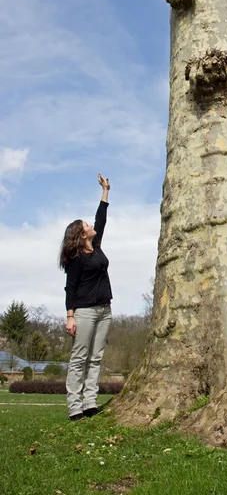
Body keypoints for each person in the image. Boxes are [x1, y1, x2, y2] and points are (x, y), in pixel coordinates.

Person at [59, 173, 112, 421]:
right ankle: (74, 407)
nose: (90, 226)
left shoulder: (97, 245)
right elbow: (70, 288)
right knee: (79, 358)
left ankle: (90, 402)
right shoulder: (76, 260)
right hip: (84, 312)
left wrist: (105, 191)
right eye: (86, 226)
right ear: (81, 235)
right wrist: (70, 317)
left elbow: (100, 218)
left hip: (104, 310)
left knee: (96, 357)